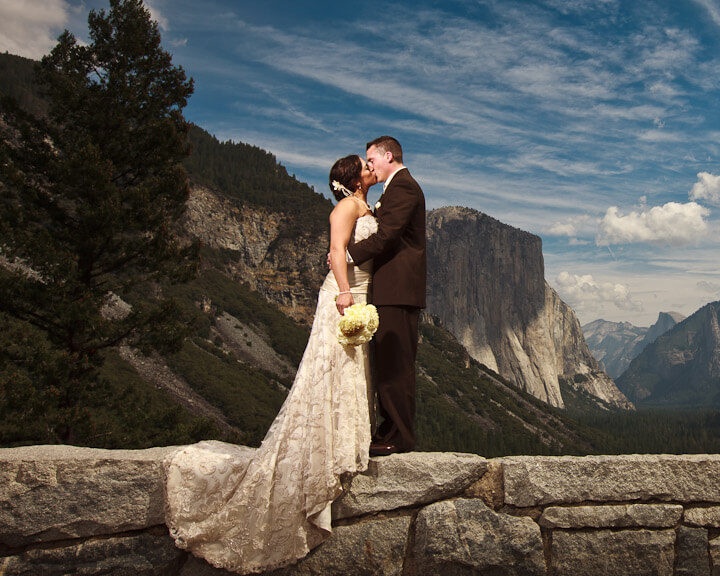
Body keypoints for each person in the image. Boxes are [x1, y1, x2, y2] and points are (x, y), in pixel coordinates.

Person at [164, 155, 378, 574]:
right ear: (353, 178)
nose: (370, 167)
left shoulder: (368, 207)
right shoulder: (346, 207)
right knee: (330, 370)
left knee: (351, 372)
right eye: (364, 164)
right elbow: (336, 251)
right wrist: (344, 294)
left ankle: (344, 443)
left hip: (363, 293)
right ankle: (325, 452)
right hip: (346, 295)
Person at [347, 136, 426, 456]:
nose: (368, 166)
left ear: (388, 156)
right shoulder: (395, 189)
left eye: (371, 160)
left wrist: (348, 254)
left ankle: (399, 436)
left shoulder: (404, 187)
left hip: (398, 290)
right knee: (389, 363)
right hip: (393, 289)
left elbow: (388, 235)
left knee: (397, 366)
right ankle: (390, 428)